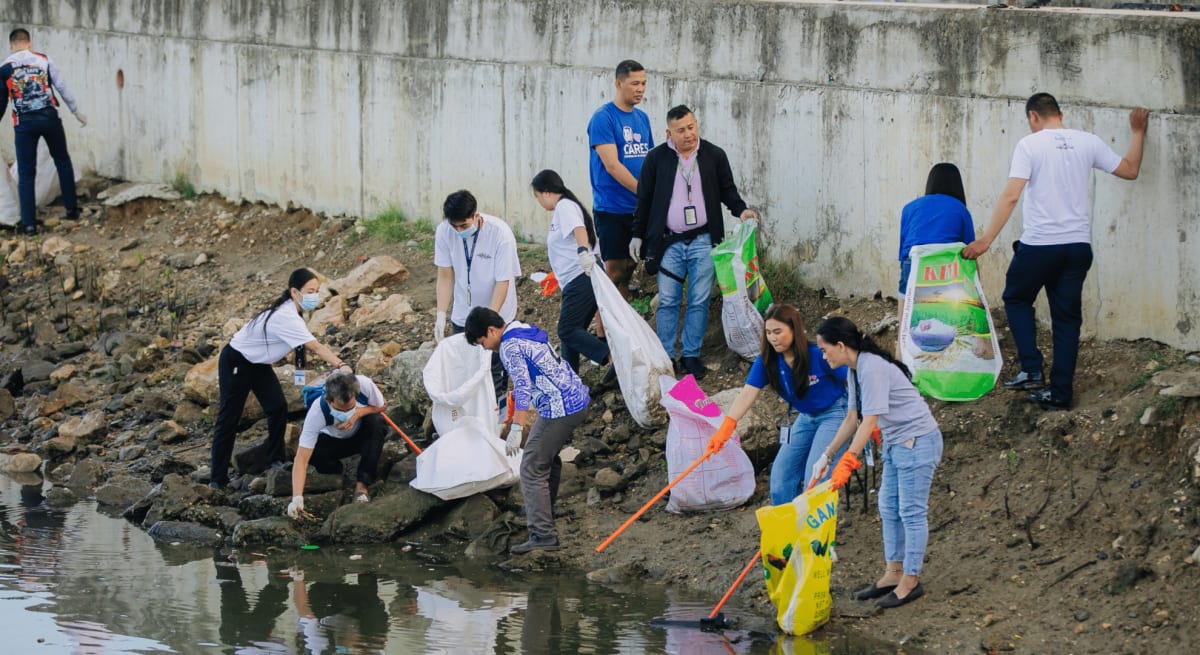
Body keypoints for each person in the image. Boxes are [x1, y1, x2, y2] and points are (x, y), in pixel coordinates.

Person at [962, 94, 1148, 410]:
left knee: (1017, 298)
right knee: (1067, 321)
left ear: (1034, 117)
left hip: (1040, 245)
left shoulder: (1029, 145)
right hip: (1077, 247)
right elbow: (1130, 170)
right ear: (1060, 114)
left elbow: (1011, 196)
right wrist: (1138, 132)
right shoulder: (1088, 141)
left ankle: (1032, 369)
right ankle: (1060, 394)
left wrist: (986, 240)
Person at [813, 316, 943, 609]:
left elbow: (869, 420)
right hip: (897, 444)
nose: (823, 356)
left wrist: (850, 460)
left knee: (911, 511)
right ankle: (893, 573)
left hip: (918, 441)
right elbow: (852, 419)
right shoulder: (854, 370)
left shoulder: (870, 367)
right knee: (887, 506)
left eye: (825, 349)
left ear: (841, 345)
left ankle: (911, 580)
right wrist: (828, 454)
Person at [629, 105, 757, 380]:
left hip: (703, 239)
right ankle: (665, 356)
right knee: (668, 301)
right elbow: (644, 200)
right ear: (669, 133)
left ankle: (691, 355)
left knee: (699, 300)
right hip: (668, 242)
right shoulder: (656, 159)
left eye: (691, 127)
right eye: (681, 130)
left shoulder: (713, 155)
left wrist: (741, 210)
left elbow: (728, 191)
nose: (688, 134)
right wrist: (638, 234)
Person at [210, 268, 351, 489]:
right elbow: (314, 346)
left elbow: (299, 346)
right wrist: (341, 365)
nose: (315, 295)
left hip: (258, 364)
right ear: (294, 292)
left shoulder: (295, 312)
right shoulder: (285, 315)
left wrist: (299, 375)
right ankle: (217, 479)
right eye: (310, 291)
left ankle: (274, 459)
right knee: (229, 418)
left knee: (277, 407)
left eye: (316, 290)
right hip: (237, 360)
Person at [465, 306, 590, 554]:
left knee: (531, 467)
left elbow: (522, 388)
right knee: (547, 459)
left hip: (560, 407)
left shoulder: (509, 347)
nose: (486, 348)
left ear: (491, 330)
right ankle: (543, 510)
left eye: (483, 342)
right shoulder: (521, 328)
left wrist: (516, 427)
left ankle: (543, 535)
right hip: (576, 398)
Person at [721, 304, 848, 505]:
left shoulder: (817, 354)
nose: (773, 338)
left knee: (815, 479)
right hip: (805, 418)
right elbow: (747, 394)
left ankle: (815, 534)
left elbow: (852, 377)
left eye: (778, 332)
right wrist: (728, 424)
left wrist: (867, 416)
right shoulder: (767, 360)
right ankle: (791, 530)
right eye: (769, 332)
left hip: (835, 413)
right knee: (780, 480)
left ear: (794, 330)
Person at [434, 189, 521, 405]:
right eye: (454, 226)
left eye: (463, 225)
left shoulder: (500, 234)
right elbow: (445, 275)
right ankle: (468, 421)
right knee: (464, 372)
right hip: (464, 314)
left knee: (493, 373)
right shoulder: (445, 231)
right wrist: (441, 314)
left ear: (475, 215)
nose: (458, 230)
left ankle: (496, 419)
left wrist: (489, 321)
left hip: (496, 314)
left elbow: (503, 282)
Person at [0, 28, 85, 236]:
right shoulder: (44, 60)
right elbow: (62, 86)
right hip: (50, 118)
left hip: (24, 124)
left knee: (27, 173)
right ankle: (72, 210)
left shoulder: (5, 67)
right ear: (29, 43)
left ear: (11, 46)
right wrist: (75, 111)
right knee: (62, 160)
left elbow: (1, 101)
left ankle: (29, 224)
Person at [531, 169, 613, 379]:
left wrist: (582, 252)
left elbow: (579, 230)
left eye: (538, 196)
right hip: (576, 279)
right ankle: (570, 384)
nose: (539, 202)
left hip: (581, 276)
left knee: (566, 330)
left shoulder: (564, 206)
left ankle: (611, 358)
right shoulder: (565, 207)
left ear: (546, 193)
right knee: (571, 334)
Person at [588, 59, 652, 297]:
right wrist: (645, 192)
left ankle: (622, 330)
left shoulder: (642, 118)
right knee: (613, 275)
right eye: (634, 83)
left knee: (628, 272)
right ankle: (604, 334)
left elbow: (650, 162)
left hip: (637, 209)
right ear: (618, 83)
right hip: (612, 209)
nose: (640, 89)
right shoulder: (603, 118)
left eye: (644, 83)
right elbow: (612, 165)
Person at [287, 371, 387, 518]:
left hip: (361, 434)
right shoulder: (317, 411)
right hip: (333, 441)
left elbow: (382, 405)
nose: (346, 412)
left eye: (350, 407)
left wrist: (357, 413)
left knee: (377, 422)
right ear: (329, 400)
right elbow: (301, 459)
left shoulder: (364, 385)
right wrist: (297, 498)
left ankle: (362, 485)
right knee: (312, 453)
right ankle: (336, 471)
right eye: (341, 409)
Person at [897, 163, 974, 329]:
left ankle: (900, 350)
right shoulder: (960, 209)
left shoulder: (909, 208)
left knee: (905, 317)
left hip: (914, 263)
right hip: (947, 268)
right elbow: (970, 252)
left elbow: (903, 251)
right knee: (947, 318)